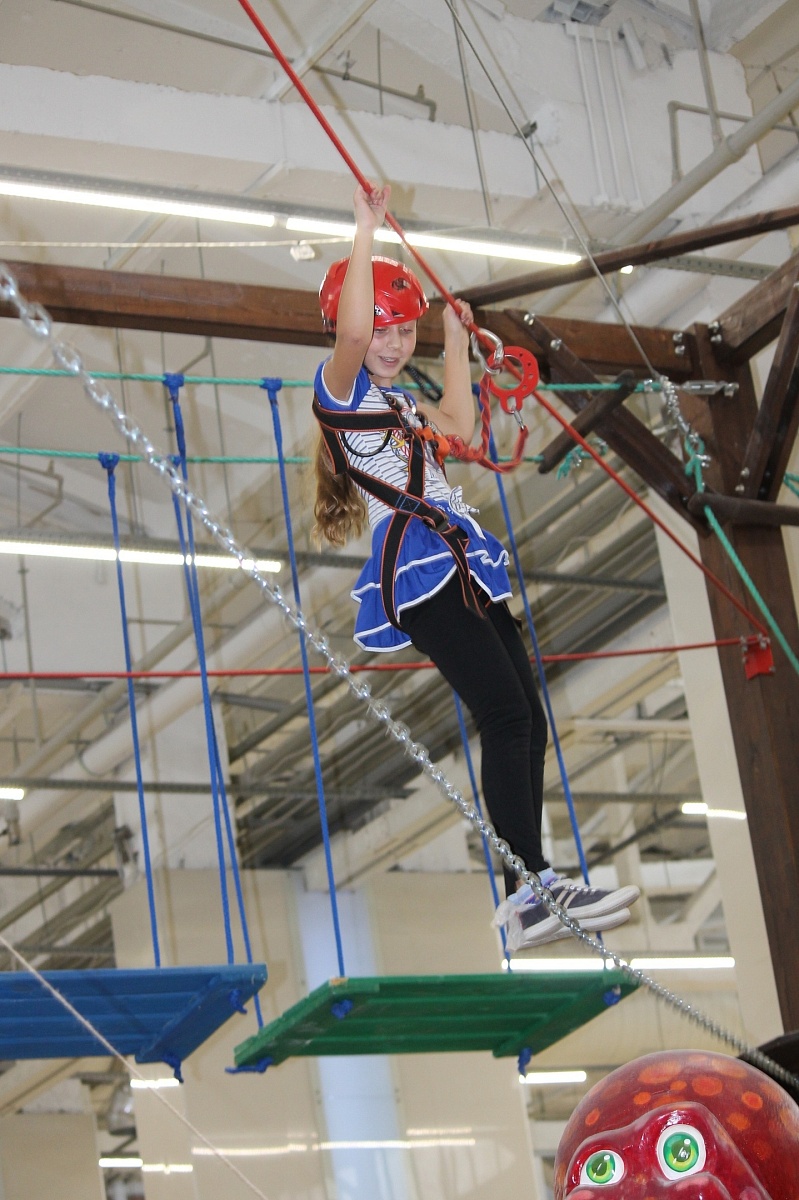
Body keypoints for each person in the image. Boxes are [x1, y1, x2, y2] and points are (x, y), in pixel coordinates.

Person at [311, 183, 639, 949]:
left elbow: (459, 422)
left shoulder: (398, 404)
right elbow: (352, 332)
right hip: (419, 565)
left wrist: (455, 340)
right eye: (382, 330)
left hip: (457, 557)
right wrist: (363, 231)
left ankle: (532, 884)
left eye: (404, 331)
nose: (392, 343)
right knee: (503, 712)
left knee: (527, 716)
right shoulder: (341, 393)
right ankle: (528, 889)